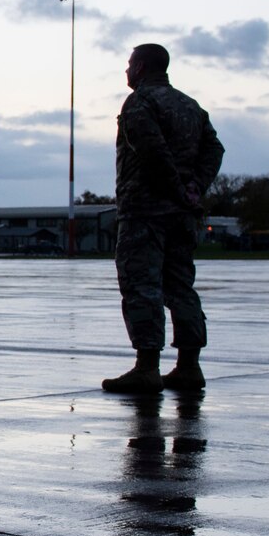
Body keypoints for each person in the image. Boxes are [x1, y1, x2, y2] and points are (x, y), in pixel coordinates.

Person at [100, 44, 225, 394]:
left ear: (140, 67)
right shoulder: (190, 106)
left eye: (129, 64)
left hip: (146, 212)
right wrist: (194, 186)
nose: (126, 71)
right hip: (182, 215)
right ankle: (189, 365)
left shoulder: (140, 102)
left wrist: (176, 188)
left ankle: (147, 367)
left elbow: (151, 149)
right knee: (180, 286)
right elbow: (215, 149)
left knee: (142, 286)